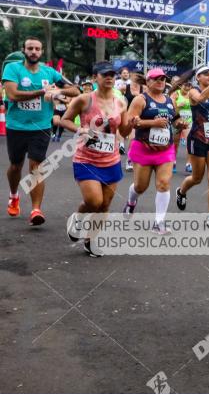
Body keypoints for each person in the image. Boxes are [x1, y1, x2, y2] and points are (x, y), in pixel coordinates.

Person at [3, 37, 80, 225]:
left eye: (37, 49)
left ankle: (36, 210)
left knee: (37, 166)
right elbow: (12, 94)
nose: (34, 52)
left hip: (42, 126)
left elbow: (76, 90)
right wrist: (41, 92)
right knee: (15, 166)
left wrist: (56, 92)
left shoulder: (49, 72)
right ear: (24, 51)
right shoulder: (13, 69)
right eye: (30, 48)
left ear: (41, 51)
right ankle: (14, 196)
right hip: (16, 126)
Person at [61, 62, 132, 257]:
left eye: (112, 74)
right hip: (87, 159)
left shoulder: (120, 103)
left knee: (105, 205)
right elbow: (64, 119)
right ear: (95, 78)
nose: (109, 77)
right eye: (104, 74)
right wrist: (81, 129)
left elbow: (124, 131)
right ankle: (78, 219)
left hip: (111, 159)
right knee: (94, 201)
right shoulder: (84, 100)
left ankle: (91, 240)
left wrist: (131, 124)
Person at [123, 68, 187, 233]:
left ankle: (159, 222)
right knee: (140, 186)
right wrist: (152, 123)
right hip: (143, 148)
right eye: (156, 79)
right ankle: (131, 202)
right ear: (148, 81)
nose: (160, 81)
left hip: (165, 149)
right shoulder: (140, 100)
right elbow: (130, 121)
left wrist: (180, 124)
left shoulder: (169, 100)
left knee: (164, 184)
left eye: (163, 79)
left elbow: (175, 118)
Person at [176, 65, 209, 224]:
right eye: (205, 74)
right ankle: (181, 191)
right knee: (197, 178)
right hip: (197, 138)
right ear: (198, 77)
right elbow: (199, 100)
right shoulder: (193, 91)